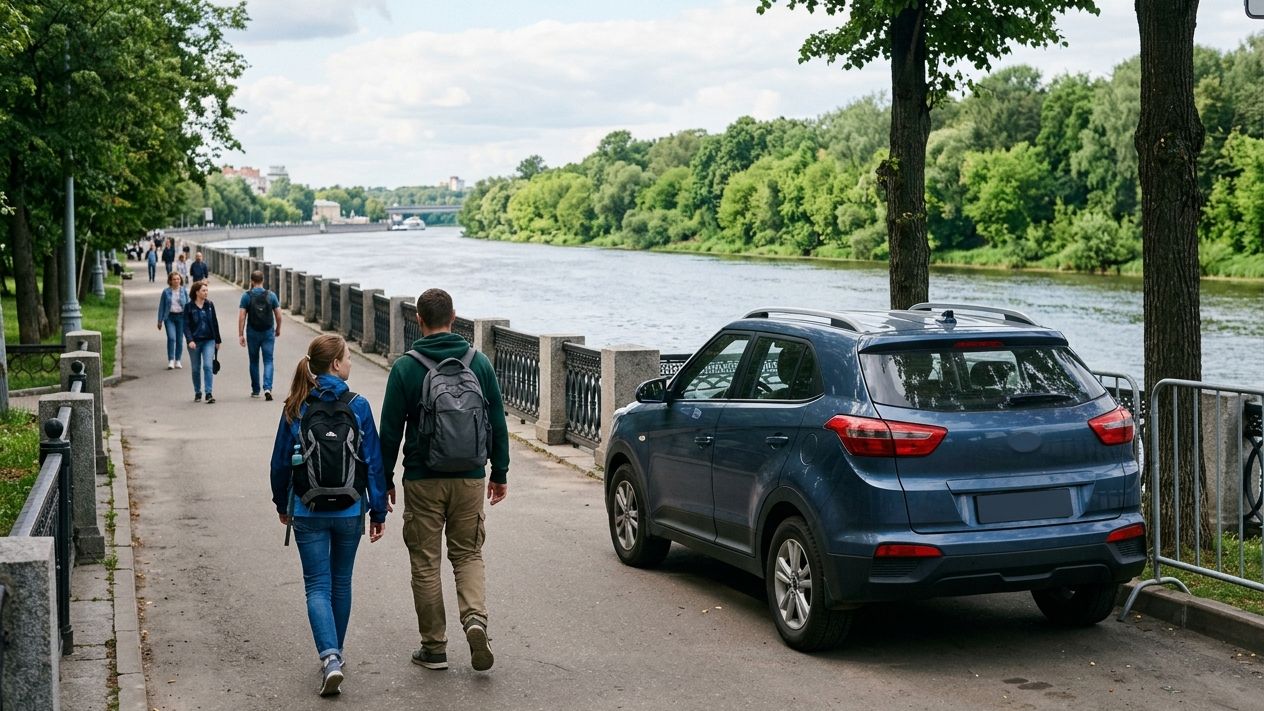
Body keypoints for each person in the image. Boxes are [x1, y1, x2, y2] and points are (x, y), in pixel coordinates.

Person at [379, 288, 509, 673]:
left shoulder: (406, 367)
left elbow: (389, 432)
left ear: (418, 320)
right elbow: (497, 422)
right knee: (468, 554)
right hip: (469, 477)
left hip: (422, 479)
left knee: (425, 562)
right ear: (455, 317)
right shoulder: (478, 362)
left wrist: (383, 480)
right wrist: (498, 472)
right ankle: (474, 620)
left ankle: (434, 648)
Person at [270, 334, 388, 696]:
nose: (351, 363)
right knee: (341, 581)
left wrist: (281, 504)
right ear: (335, 364)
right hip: (351, 507)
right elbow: (373, 463)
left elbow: (278, 463)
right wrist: (378, 509)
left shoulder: (296, 404)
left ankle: (330, 657)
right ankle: (335, 654)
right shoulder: (360, 405)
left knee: (317, 585)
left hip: (308, 507)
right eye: (348, 357)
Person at [238, 270, 282, 400]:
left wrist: (240, 334)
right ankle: (267, 388)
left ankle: (256, 390)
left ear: (251, 281)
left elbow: (241, 316)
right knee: (268, 360)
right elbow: (279, 315)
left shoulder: (246, 296)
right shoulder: (271, 295)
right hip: (268, 331)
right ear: (263, 280)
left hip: (252, 332)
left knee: (254, 361)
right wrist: (278, 329)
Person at [183, 281, 222, 403]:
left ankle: (209, 393)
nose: (206, 293)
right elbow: (186, 325)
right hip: (194, 342)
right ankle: (197, 392)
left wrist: (218, 340)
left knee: (207, 366)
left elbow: (215, 322)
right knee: (195, 368)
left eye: (206, 290)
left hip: (209, 340)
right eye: (203, 291)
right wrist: (190, 340)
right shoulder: (189, 307)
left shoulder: (209, 305)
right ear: (196, 292)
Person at [156, 272, 188, 370]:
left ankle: (177, 360)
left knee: (179, 339)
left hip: (181, 317)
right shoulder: (166, 292)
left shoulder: (184, 291)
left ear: (180, 280)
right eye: (174, 279)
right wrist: (159, 320)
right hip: (169, 317)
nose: (176, 281)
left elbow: (189, 304)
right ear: (170, 281)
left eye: (178, 279)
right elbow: (161, 306)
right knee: (171, 338)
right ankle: (171, 359)